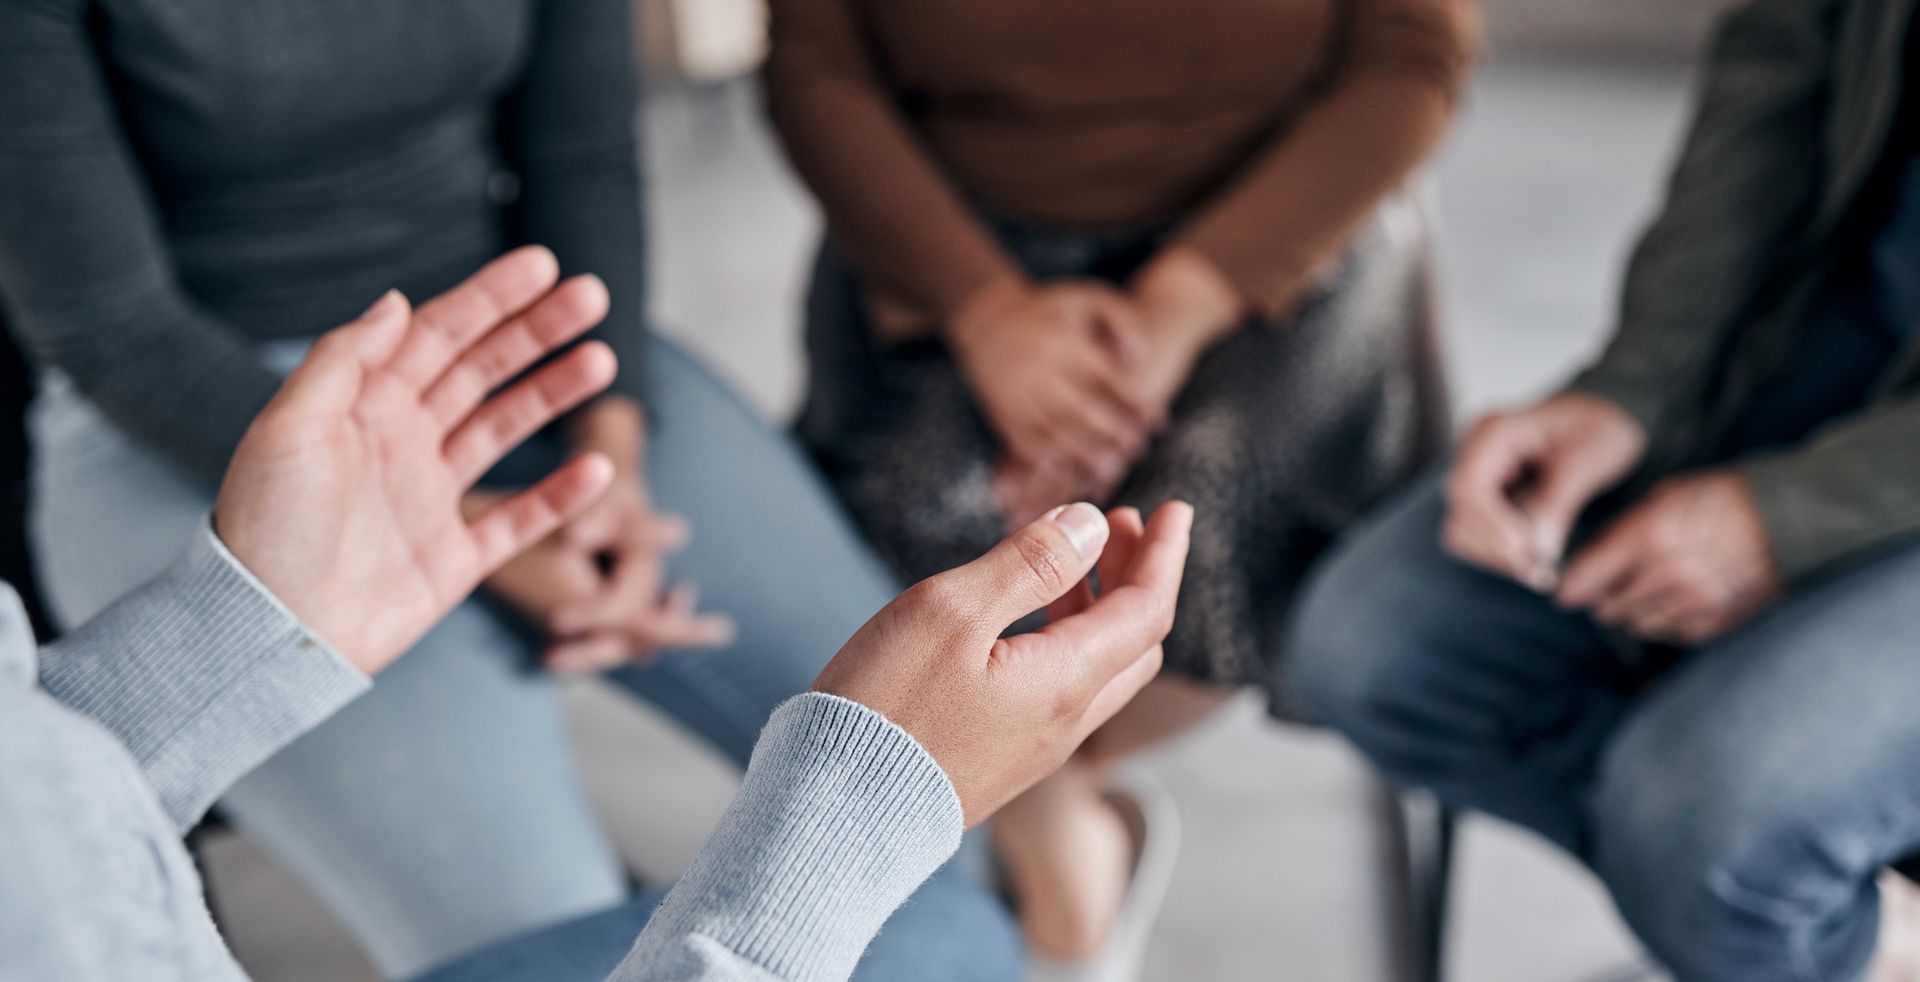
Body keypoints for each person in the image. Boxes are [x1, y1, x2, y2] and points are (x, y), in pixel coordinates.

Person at [0, 0, 1014, 976]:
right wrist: (491, 539)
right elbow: (112, 330)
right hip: (186, 409)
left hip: (517, 343)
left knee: (923, 783)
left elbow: (581, 159)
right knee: (548, 939)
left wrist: (603, 457)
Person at [0, 249, 1193, 982]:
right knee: (945, 943)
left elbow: (34, 807)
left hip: (491, 415)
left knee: (951, 914)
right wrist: (847, 820)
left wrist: (237, 631)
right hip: (183, 428)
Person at [764, 0, 1478, 968]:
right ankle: (1066, 876)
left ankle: (1028, 825)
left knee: (1200, 524)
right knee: (919, 514)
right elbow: (815, 72)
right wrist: (986, 312)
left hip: (1275, 223)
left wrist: (1184, 304)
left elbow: (1412, 60)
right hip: (946, 233)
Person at [1284, 0, 1920, 979]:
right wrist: (1631, 392)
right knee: (1379, 644)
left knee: (1710, 825)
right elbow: (1770, 90)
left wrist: (1789, 518)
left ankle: (1783, 919)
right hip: (1821, 353)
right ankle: (1787, 926)